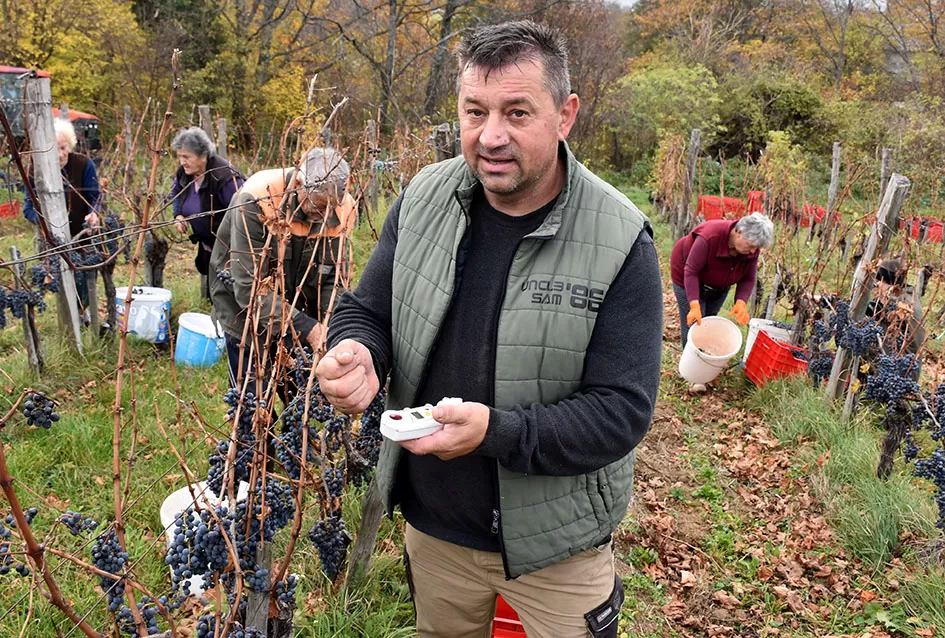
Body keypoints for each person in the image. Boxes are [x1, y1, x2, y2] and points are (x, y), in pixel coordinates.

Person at [315, 21, 662, 638]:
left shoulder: (619, 240)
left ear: (565, 115)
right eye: (475, 111)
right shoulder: (424, 197)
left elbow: (621, 413)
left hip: (561, 547)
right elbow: (367, 307)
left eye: (517, 112)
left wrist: (494, 433)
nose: (491, 136)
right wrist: (358, 349)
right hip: (437, 529)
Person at [209, 147, 356, 390]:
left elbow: (334, 280)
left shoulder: (345, 207)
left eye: (330, 208)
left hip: (299, 310)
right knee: (252, 400)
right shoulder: (258, 199)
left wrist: (332, 326)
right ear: (299, 182)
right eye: (317, 207)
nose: (324, 216)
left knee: (296, 399)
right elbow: (248, 287)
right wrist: (308, 328)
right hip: (243, 310)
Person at [23, 118, 100, 320]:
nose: (59, 154)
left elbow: (95, 197)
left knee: (85, 276)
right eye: (53, 150)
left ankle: (84, 314)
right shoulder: (35, 172)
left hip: (82, 236)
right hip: (54, 242)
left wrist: (94, 212)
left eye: (63, 147)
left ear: (70, 145)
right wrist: (44, 223)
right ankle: (70, 318)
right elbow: (28, 209)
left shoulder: (84, 165)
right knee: (62, 279)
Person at [670, 212, 774, 350]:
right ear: (739, 232)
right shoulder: (710, 236)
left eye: (757, 248)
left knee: (708, 320)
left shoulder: (750, 249)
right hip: (687, 275)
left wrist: (741, 302)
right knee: (694, 323)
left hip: (719, 284)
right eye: (751, 245)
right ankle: (690, 366)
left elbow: (748, 278)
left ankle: (705, 357)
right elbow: (691, 272)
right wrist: (694, 305)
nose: (753, 251)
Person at [167, 127, 245, 297]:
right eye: (180, 156)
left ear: (203, 156)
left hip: (229, 248)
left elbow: (243, 210)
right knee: (213, 287)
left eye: (186, 157)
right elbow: (176, 193)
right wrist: (178, 215)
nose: (182, 162)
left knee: (228, 291)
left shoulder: (224, 177)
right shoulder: (185, 173)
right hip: (207, 244)